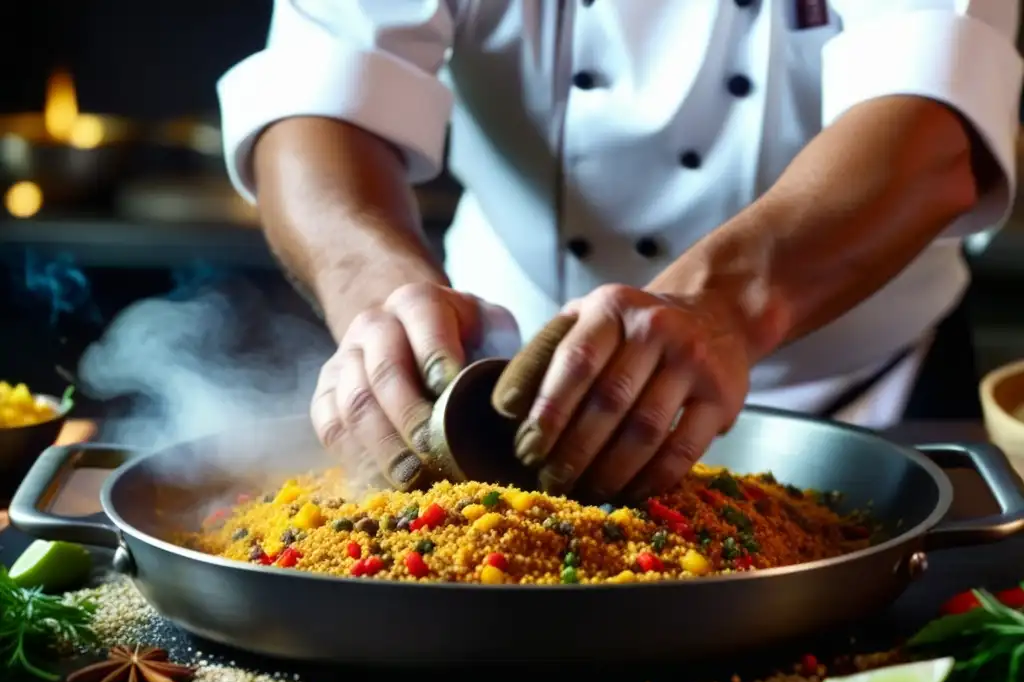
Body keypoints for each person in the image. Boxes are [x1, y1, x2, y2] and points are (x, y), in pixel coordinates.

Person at [217, 0, 1022, 499]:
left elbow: (935, 125)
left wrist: (719, 310)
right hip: (502, 406)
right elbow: (319, 96)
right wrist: (380, 290)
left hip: (873, 401)